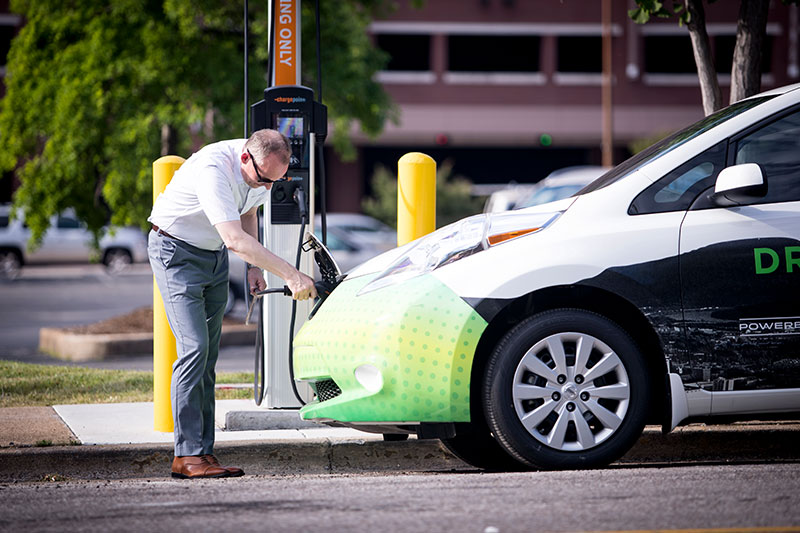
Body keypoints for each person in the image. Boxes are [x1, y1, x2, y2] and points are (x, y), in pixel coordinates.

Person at [148, 129, 317, 479]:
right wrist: (291, 274)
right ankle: (186, 455)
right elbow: (234, 238)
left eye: (275, 182)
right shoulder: (213, 168)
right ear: (245, 157)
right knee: (194, 349)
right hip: (175, 252)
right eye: (264, 179)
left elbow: (249, 215)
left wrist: (254, 268)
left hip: (213, 258)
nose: (268, 188)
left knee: (208, 354)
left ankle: (204, 452)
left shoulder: (258, 172)